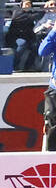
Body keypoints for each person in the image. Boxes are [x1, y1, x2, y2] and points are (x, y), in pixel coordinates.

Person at [7, 0, 43, 69]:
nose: (28, 6)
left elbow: (36, 16)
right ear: (22, 5)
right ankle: (13, 65)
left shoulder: (31, 13)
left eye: (29, 4)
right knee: (22, 43)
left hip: (28, 36)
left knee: (36, 46)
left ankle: (28, 66)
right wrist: (44, 10)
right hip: (15, 36)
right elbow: (33, 16)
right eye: (26, 4)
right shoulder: (17, 12)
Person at [39, 13, 56, 148]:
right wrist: (53, 32)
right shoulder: (54, 36)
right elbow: (42, 51)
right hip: (55, 89)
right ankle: (51, 158)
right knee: (51, 123)